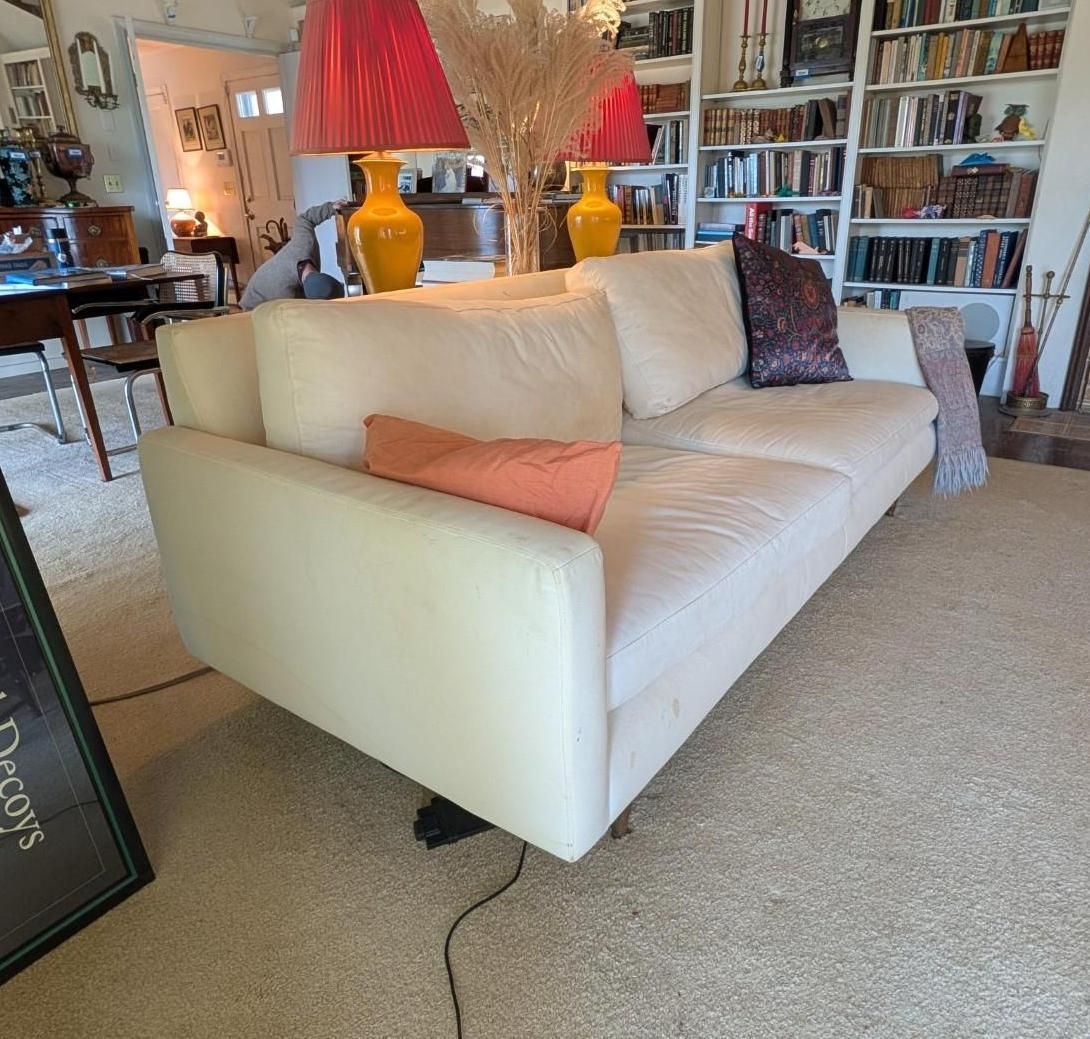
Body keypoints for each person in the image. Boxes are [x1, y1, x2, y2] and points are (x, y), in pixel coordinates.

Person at [239, 201, 346, 309]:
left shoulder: (304, 244)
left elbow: (304, 219)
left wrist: (331, 208)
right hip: (251, 307)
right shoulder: (287, 296)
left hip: (273, 283)